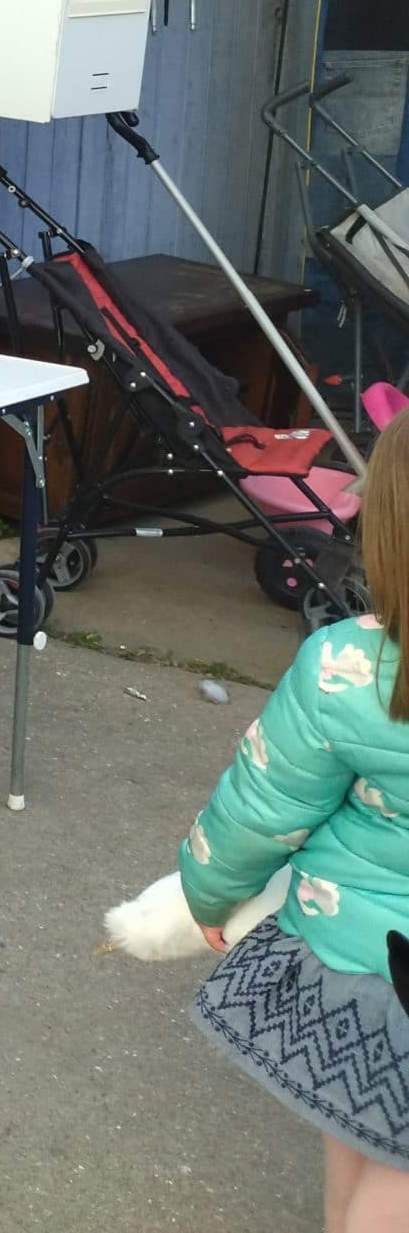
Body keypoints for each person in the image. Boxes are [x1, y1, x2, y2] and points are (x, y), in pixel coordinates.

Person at [181, 414, 409, 1232]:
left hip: (364, 968)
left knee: (360, 1139)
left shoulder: (352, 668)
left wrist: (208, 893)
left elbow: (261, 809)